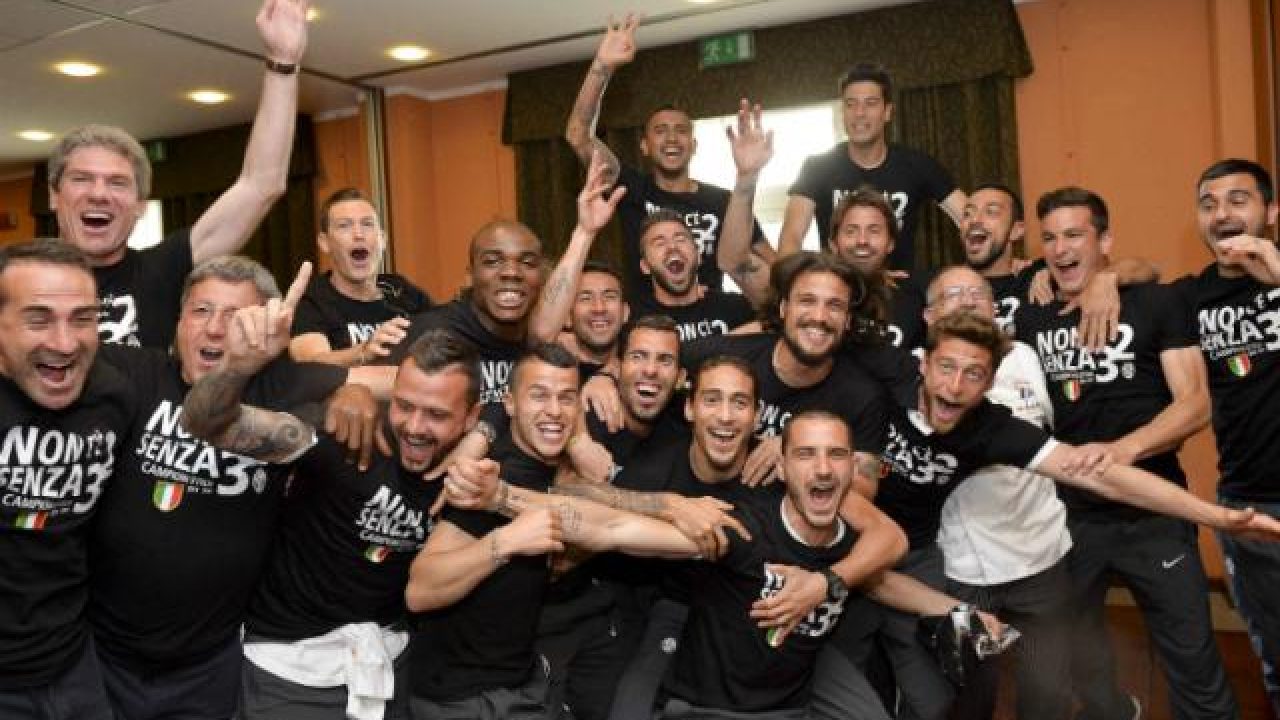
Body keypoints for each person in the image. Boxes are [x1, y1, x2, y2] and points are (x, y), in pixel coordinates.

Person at [182, 277, 484, 719]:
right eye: (404, 406)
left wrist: (485, 435)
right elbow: (204, 424)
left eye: (437, 415)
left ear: (471, 417)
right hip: (291, 668)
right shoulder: (343, 433)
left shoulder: (478, 468)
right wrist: (237, 366)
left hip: (384, 665)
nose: (415, 427)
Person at [89, 256, 365, 720]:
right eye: (201, 311)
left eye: (237, 317)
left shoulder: (283, 387)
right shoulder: (133, 372)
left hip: (209, 665)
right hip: (102, 657)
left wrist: (352, 390)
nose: (215, 329)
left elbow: (410, 383)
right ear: (179, 321)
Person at [1013, 187, 1237, 720]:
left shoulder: (1157, 302)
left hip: (1153, 513)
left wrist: (1123, 450)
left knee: (1191, 658)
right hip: (1069, 519)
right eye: (1050, 238)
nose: (1061, 248)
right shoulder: (1033, 316)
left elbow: (1195, 404)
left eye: (1075, 235)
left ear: (1105, 241)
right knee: (1077, 654)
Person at [48, 0, 309, 349]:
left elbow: (261, 185)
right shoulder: (13, 277)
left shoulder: (161, 270)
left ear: (140, 205)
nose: (99, 194)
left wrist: (283, 63)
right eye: (81, 179)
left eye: (118, 183)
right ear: (53, 196)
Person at [927, 266, 1074, 720]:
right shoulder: (916, 377)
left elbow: (1052, 439)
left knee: (1048, 692)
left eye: (979, 293)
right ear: (929, 316)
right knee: (970, 696)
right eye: (954, 293)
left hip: (1044, 556)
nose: (969, 300)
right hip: (962, 571)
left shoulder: (1026, 356)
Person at [0, 238, 137, 720]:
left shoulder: (113, 395)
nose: (64, 343)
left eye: (82, 319)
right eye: (38, 319)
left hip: (74, 665)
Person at [564, 13, 772, 302]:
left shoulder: (722, 202)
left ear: (694, 145)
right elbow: (578, 135)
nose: (672, 138)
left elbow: (771, 261)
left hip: (712, 318)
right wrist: (602, 67)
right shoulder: (631, 188)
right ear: (645, 146)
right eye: (661, 131)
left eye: (681, 131)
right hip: (648, 321)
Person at [1181, 158, 1280, 715]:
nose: (1222, 214)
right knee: (1275, 654)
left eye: (1238, 200)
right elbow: (1137, 280)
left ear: (1271, 211)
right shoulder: (1191, 298)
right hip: (1251, 504)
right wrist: (1104, 279)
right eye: (1208, 203)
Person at [777, 63, 964, 268]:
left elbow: (970, 218)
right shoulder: (817, 167)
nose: (859, 112)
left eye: (870, 103)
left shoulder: (918, 165)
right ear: (842, 112)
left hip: (899, 284)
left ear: (887, 112)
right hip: (839, 283)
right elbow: (790, 238)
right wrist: (801, 279)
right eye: (851, 104)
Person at [290, 187, 431, 367]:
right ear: (325, 243)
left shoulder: (401, 290)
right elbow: (311, 364)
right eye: (344, 225)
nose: (358, 234)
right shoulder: (313, 300)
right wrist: (363, 351)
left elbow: (444, 335)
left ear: (383, 240)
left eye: (367, 224)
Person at [630, 210, 756, 342]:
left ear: (698, 256)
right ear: (645, 266)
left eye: (680, 239)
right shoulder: (634, 320)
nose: (672, 247)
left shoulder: (735, 308)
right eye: (660, 243)